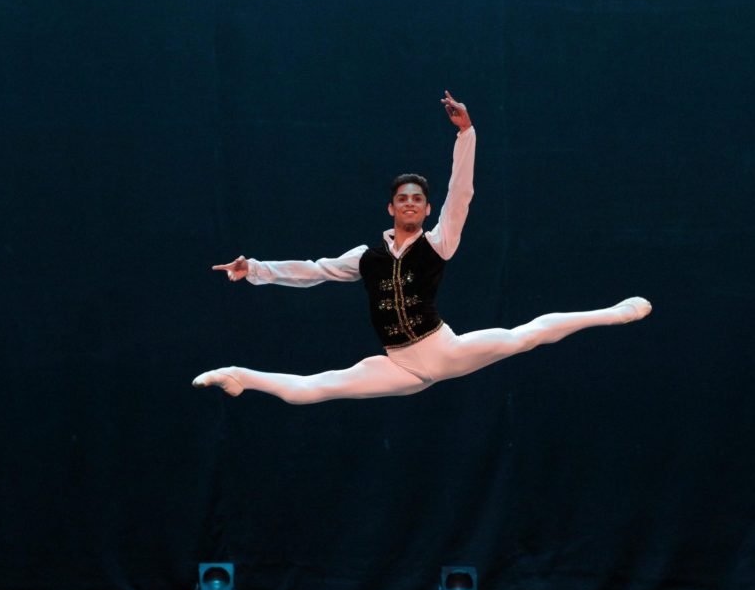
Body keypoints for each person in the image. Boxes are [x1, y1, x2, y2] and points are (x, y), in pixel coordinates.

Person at [192, 91, 651, 404]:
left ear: (427, 209)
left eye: (418, 199)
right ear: (390, 207)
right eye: (402, 199)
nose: (410, 204)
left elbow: (462, 193)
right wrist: (253, 268)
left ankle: (614, 312)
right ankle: (239, 376)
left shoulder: (439, 242)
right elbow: (313, 270)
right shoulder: (365, 257)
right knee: (314, 389)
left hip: (443, 352)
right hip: (400, 366)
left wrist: (466, 133)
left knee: (524, 336)